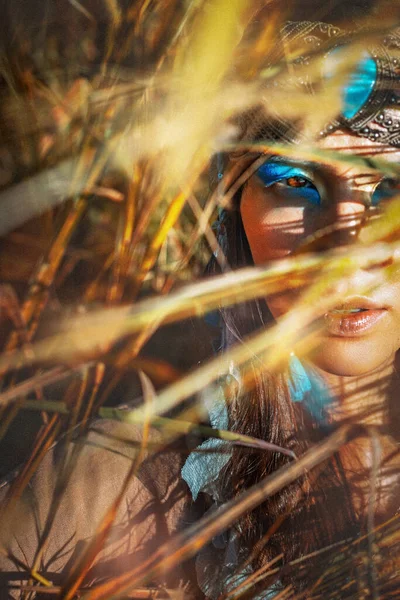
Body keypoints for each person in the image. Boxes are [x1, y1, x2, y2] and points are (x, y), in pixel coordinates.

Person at [1, 3, 400, 599]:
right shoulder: (101, 495)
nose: (346, 247)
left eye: (391, 188)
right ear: (232, 212)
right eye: (295, 183)